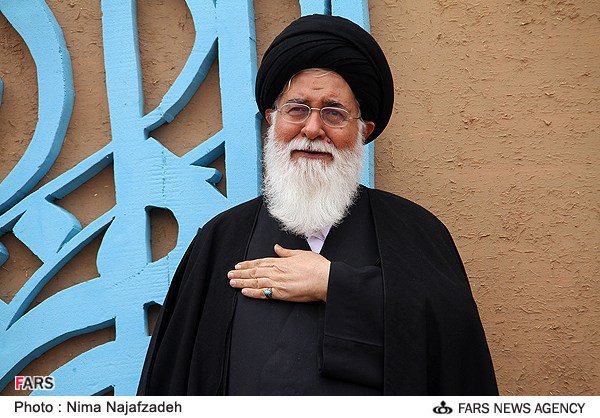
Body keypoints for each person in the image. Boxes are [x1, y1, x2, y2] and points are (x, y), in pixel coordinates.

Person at [137, 14, 498, 395]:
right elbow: (172, 378)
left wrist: (334, 285)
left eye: (334, 113)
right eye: (297, 109)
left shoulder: (415, 231)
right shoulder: (221, 239)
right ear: (272, 121)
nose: (312, 129)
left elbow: (453, 343)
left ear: (363, 131)